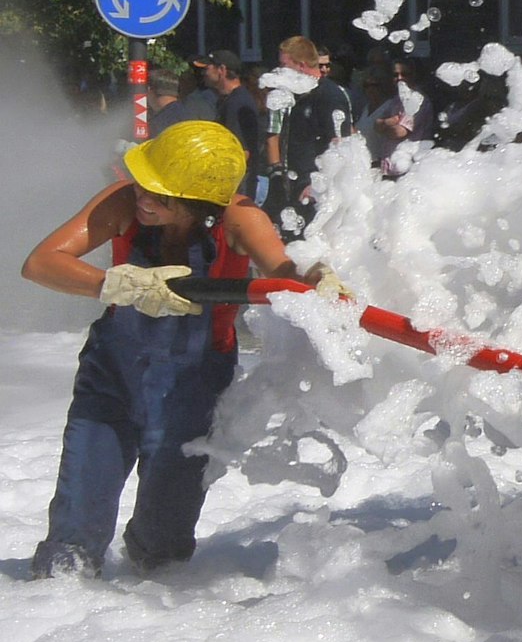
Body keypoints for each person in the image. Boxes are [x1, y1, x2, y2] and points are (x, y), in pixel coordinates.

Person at [21, 121, 333, 577]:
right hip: (112, 375)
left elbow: (286, 271)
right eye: (145, 185)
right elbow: (40, 264)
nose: (144, 198)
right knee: (75, 528)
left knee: (162, 551)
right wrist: (115, 283)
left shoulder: (240, 219)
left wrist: (321, 277)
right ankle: (60, 598)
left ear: (202, 205)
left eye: (161, 195)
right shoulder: (124, 202)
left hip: (195, 385)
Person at [265, 36, 356, 238]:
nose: (278, 71)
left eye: (283, 65)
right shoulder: (297, 96)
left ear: (302, 66)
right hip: (295, 191)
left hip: (317, 195)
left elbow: (341, 145)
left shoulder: (329, 95)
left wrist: (318, 185)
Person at [192, 50, 262, 200]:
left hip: (238, 187)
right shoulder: (228, 100)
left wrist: (222, 182)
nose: (204, 73)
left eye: (207, 68)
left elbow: (243, 151)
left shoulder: (237, 102)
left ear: (222, 70)